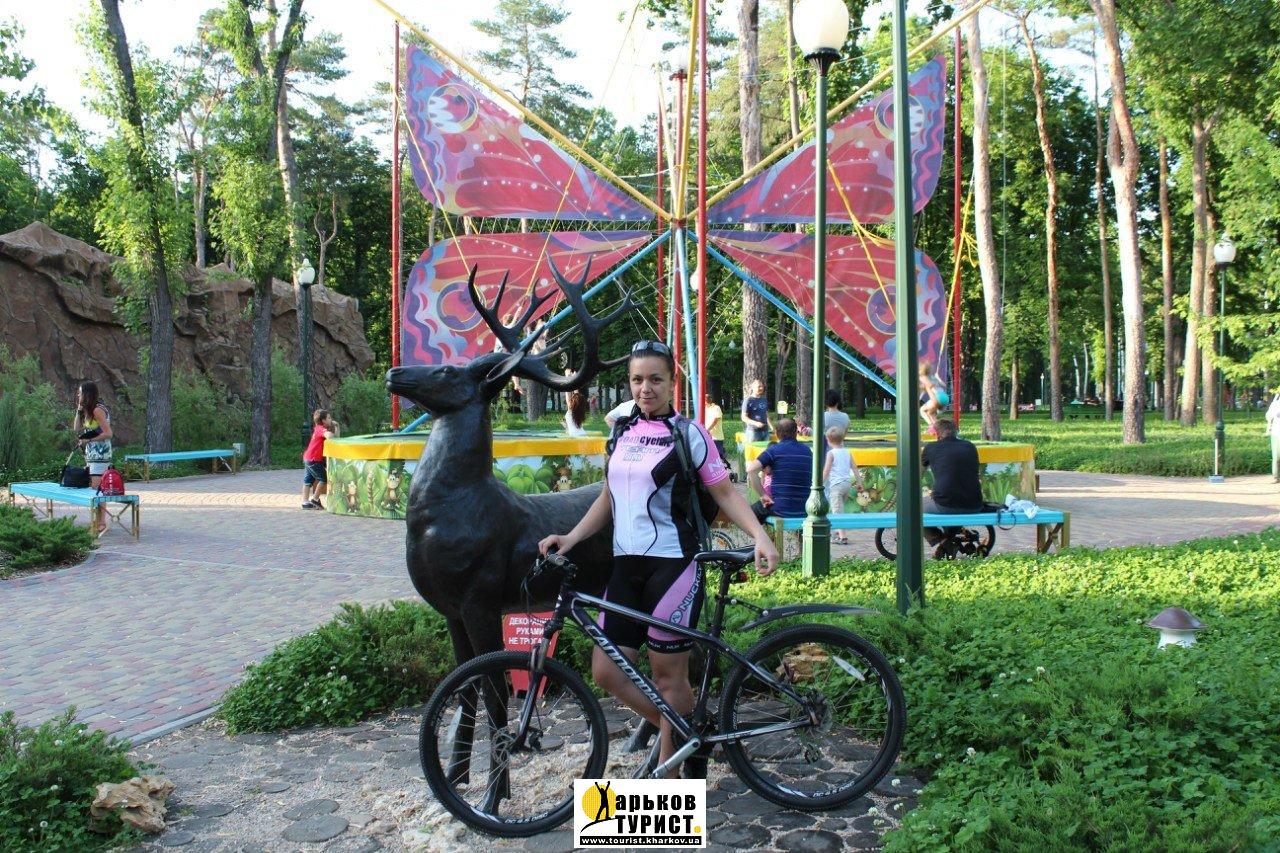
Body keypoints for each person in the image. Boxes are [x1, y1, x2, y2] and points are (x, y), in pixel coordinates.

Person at [539, 340, 779, 779]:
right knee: (606, 670)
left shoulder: (690, 433)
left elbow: (724, 492)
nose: (645, 388)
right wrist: (570, 537)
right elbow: (609, 497)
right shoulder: (622, 431)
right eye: (637, 380)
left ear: (672, 382)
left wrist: (761, 536)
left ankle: (670, 781)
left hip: (675, 567)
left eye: (655, 379)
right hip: (626, 566)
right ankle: (690, 733)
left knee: (669, 678)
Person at [920, 418, 984, 552]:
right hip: (974, 504)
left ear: (937, 434)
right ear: (956, 432)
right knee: (949, 501)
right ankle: (949, 541)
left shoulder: (930, 447)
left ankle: (942, 540)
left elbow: (917, 475)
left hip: (946, 505)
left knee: (913, 509)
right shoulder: (970, 446)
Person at [745, 418, 812, 524]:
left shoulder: (773, 450)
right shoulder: (807, 451)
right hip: (806, 509)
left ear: (776, 433)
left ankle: (761, 534)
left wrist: (763, 495)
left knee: (747, 515)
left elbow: (751, 469)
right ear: (796, 432)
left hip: (779, 509)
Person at [822, 426, 862, 544]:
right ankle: (837, 532)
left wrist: (820, 483)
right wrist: (859, 482)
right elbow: (854, 468)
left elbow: (826, 471)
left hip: (836, 486)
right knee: (839, 508)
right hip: (846, 485)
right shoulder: (847, 452)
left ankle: (843, 537)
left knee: (837, 512)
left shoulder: (831, 453)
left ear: (828, 440)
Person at [73, 381, 113, 490]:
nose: (78, 395)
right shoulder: (89, 410)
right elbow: (76, 428)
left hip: (100, 454)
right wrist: (79, 410)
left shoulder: (97, 410)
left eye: (80, 392)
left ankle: (103, 503)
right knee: (94, 489)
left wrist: (89, 440)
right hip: (92, 454)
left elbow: (108, 433)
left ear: (87, 394)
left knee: (96, 489)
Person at [302, 409, 339, 509]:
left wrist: (336, 426)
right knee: (323, 479)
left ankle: (305, 502)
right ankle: (315, 499)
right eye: (329, 418)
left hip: (309, 458)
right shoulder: (320, 428)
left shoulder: (318, 428)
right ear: (323, 420)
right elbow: (331, 437)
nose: (331, 420)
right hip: (314, 460)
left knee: (308, 480)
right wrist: (332, 429)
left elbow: (336, 439)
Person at [918, 361, 951, 435]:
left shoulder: (923, 377)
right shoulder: (933, 377)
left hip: (937, 397)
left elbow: (930, 386)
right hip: (945, 397)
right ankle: (938, 429)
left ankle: (932, 427)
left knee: (922, 410)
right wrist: (938, 378)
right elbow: (944, 386)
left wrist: (924, 387)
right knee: (931, 413)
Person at [702, 389, 727, 467]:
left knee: (719, 455)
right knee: (709, 456)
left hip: (716, 437)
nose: (705, 401)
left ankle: (721, 469)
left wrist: (708, 429)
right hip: (707, 436)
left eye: (706, 399)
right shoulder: (704, 409)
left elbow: (716, 420)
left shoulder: (716, 408)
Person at [741, 379, 772, 443]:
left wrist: (772, 427)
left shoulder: (764, 400)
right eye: (759, 386)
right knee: (754, 449)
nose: (761, 388)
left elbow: (766, 415)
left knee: (766, 449)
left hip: (766, 431)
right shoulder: (748, 400)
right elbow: (744, 418)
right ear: (752, 387)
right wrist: (756, 423)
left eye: (762, 386)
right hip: (753, 432)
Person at [1266, 390, 1280, 482]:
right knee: (1276, 456)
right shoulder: (1275, 404)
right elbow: (1268, 417)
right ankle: (1275, 476)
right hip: (1276, 433)